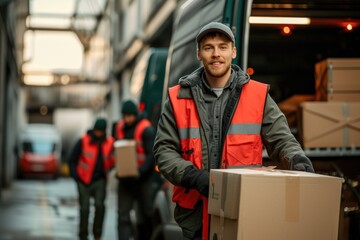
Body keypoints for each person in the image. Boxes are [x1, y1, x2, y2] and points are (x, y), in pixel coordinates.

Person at [153, 21, 315, 240]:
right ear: (199, 53)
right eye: (209, 47)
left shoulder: (257, 96)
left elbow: (281, 139)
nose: (216, 54)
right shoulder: (177, 98)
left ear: (234, 51)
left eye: (223, 46)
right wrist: (192, 176)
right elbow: (163, 150)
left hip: (245, 209)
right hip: (196, 215)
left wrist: (297, 159)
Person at [113, 100, 156, 240]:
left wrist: (140, 171)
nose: (127, 119)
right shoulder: (119, 127)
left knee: (146, 214)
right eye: (124, 116)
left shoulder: (146, 129)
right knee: (123, 216)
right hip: (125, 179)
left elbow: (152, 155)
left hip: (142, 179)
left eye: (129, 116)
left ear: (135, 115)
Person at [68, 118, 115, 240]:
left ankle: (97, 234)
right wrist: (76, 177)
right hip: (83, 180)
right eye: (97, 131)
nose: (98, 133)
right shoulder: (83, 141)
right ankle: (83, 235)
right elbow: (71, 159)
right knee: (84, 209)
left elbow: (113, 159)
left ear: (104, 131)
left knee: (100, 206)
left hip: (99, 180)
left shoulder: (110, 142)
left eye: (101, 131)